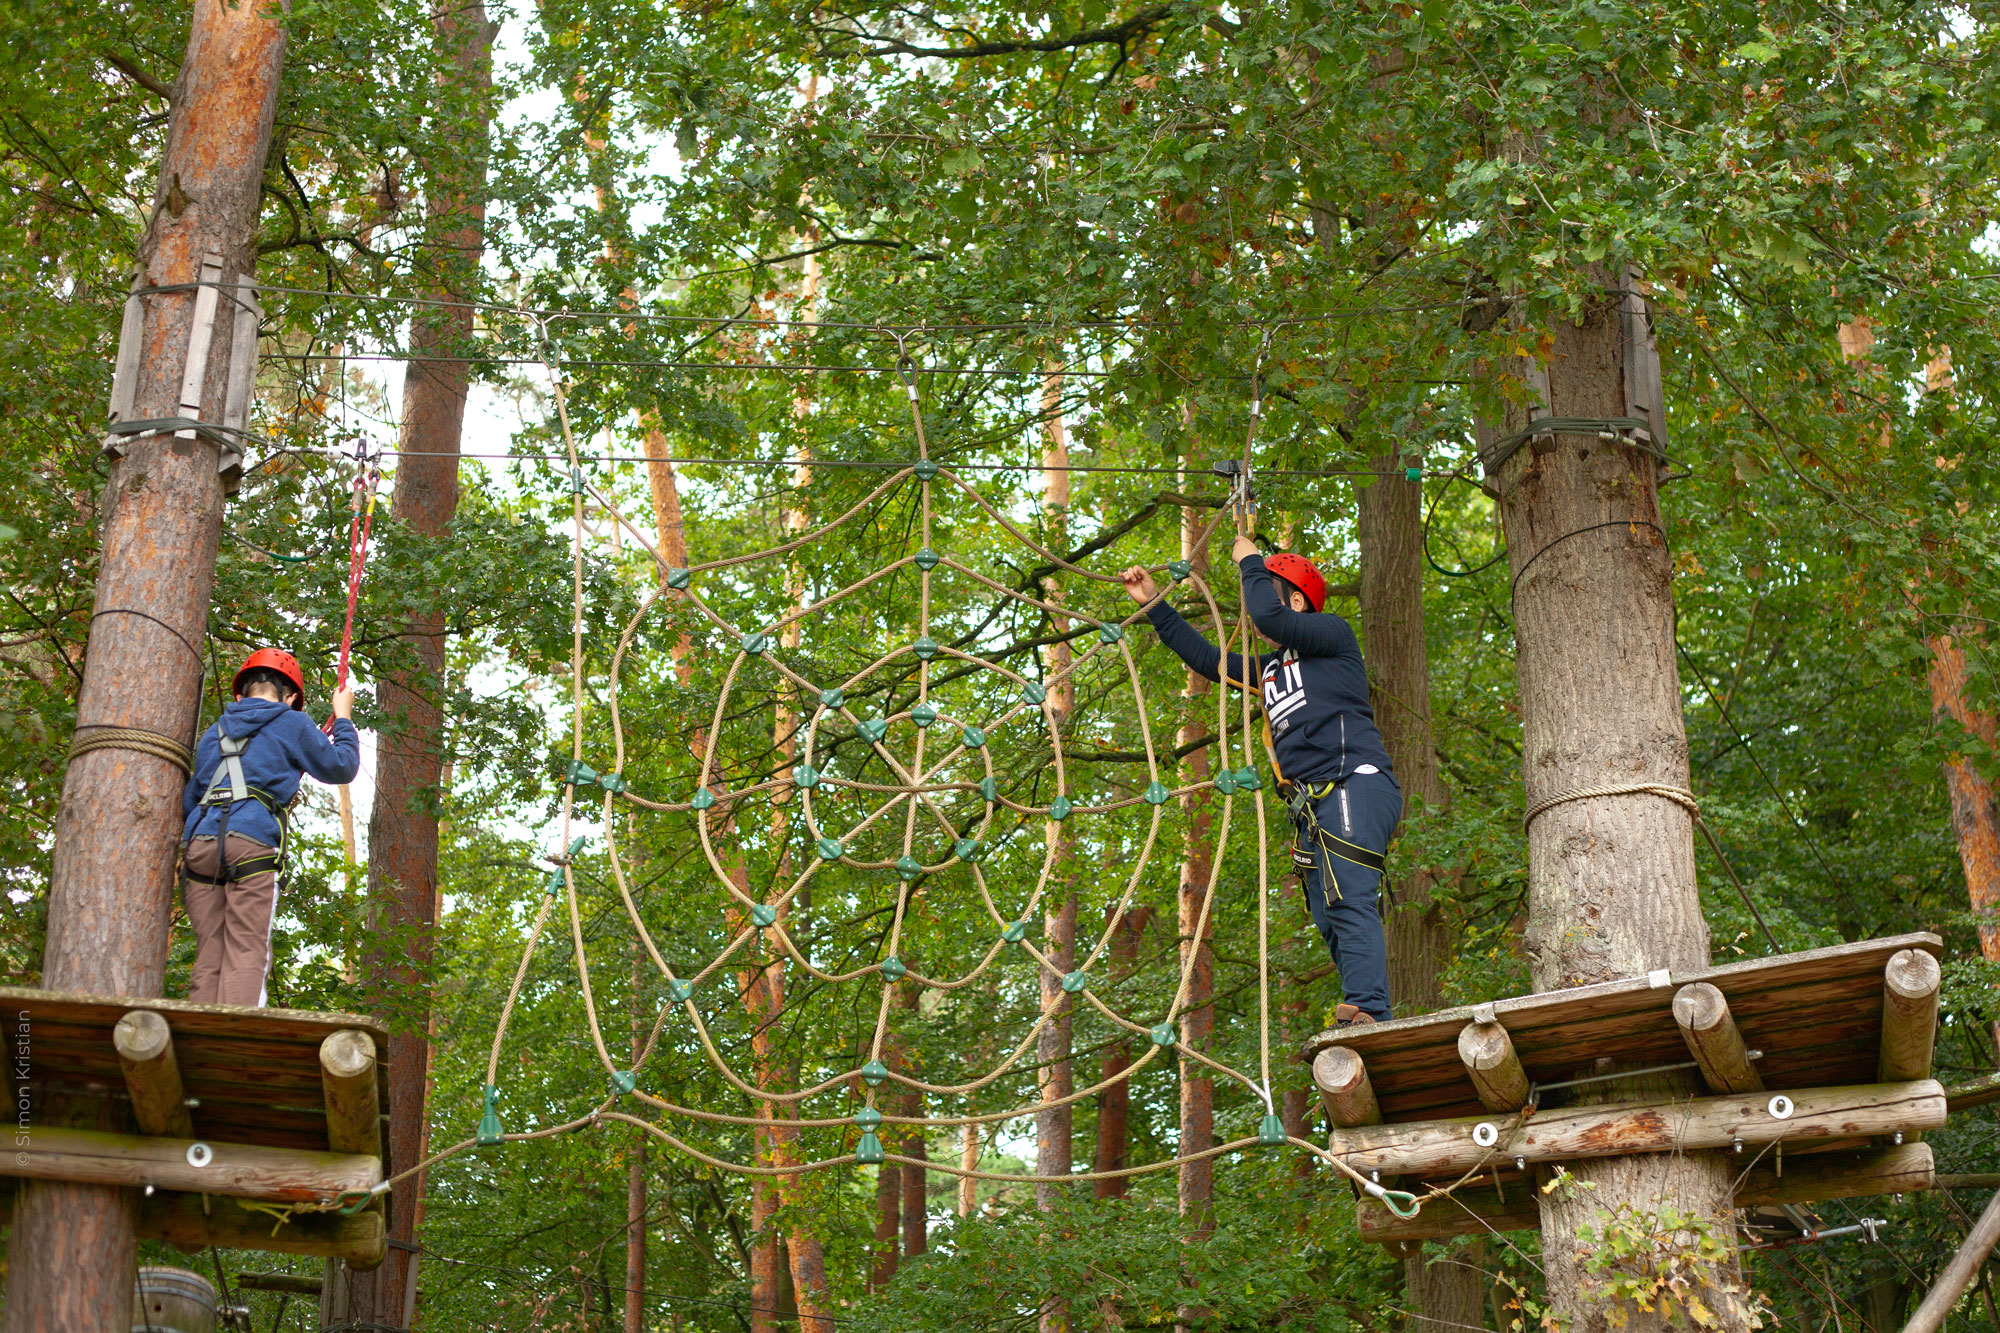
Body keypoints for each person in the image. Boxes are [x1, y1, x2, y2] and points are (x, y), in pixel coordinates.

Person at [1121, 535, 1400, 1026]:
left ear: (1295, 600)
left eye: (1269, 593)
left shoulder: (1333, 637)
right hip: (1314, 805)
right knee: (1328, 916)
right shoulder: (1271, 669)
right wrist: (1155, 606)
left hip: (1353, 781)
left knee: (1348, 896)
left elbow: (1270, 618)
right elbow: (1209, 661)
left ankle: (1370, 1011)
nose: (1258, 612)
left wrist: (1250, 560)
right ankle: (1364, 1006)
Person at [181, 649, 359, 1007]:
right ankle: (234, 1041)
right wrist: (342, 717)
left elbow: (191, 799)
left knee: (210, 952)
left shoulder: (212, 734)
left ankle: (199, 1038)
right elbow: (342, 766)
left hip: (199, 848)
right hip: (251, 844)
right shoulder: (292, 724)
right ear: (290, 697)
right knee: (246, 949)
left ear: (239, 695)